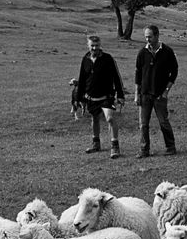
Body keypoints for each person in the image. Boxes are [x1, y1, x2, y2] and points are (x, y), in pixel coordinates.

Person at [75, 34, 126, 158]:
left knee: (109, 118)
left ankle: (115, 146)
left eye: (97, 45)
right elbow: (82, 78)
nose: (94, 48)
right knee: (94, 119)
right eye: (92, 46)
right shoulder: (85, 59)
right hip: (91, 96)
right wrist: (79, 98)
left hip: (106, 96)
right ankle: (96, 144)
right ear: (88, 46)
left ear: (100, 45)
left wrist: (120, 95)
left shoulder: (108, 58)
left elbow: (117, 77)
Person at [134, 24, 178, 158]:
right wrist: (136, 94)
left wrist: (166, 91)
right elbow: (138, 75)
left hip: (160, 95)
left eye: (150, 37)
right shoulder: (142, 53)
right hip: (145, 94)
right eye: (146, 37)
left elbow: (174, 72)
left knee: (163, 122)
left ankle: (170, 147)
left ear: (157, 35)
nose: (148, 40)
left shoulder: (167, 52)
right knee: (143, 124)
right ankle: (144, 150)